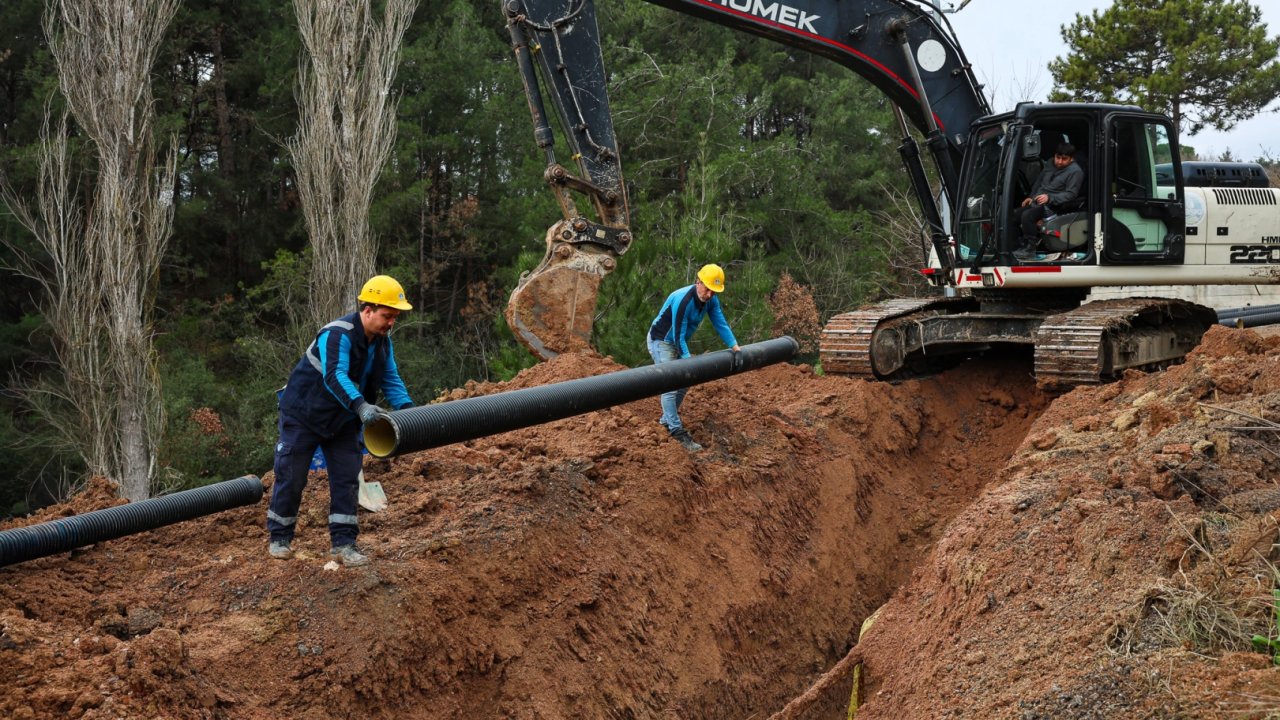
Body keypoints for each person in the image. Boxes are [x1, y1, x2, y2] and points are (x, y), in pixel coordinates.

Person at [266, 275, 415, 567]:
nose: (390, 323)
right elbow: (335, 375)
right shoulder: (337, 334)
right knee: (292, 476)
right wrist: (361, 407)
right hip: (304, 415)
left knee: (347, 478)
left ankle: (344, 544)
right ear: (367, 310)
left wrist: (409, 411)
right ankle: (280, 538)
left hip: (343, 419)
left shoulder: (383, 343)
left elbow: (390, 379)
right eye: (387, 316)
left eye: (395, 318)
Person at [647, 263, 741, 452]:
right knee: (670, 383)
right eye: (708, 289)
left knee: (685, 381)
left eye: (714, 292)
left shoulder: (711, 300)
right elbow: (677, 335)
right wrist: (688, 359)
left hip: (677, 340)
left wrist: (735, 346)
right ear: (698, 282)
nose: (710, 295)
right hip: (662, 341)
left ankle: (665, 422)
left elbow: (720, 322)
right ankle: (675, 430)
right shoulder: (683, 299)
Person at [1013, 143, 1084, 258]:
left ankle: (1030, 249)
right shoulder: (1050, 163)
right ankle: (1017, 246)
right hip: (1038, 201)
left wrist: (1050, 198)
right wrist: (1031, 196)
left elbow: (1071, 194)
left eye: (1064, 159)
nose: (1060, 162)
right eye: (1058, 158)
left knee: (1027, 216)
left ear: (1071, 159)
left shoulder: (1076, 172)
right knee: (1014, 215)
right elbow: (1039, 182)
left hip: (1055, 205)